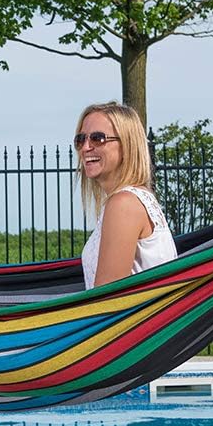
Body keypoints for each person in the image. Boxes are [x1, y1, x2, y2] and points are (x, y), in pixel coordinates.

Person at [74, 101, 177, 288]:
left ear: (127, 144)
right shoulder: (135, 198)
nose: (85, 147)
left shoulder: (124, 204)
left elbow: (107, 297)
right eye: (80, 140)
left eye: (98, 138)